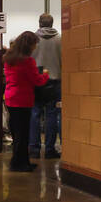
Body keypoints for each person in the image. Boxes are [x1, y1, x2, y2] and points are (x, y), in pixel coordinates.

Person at [4, 31, 50, 173]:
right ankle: (19, 164)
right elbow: (37, 81)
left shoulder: (8, 58)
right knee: (23, 134)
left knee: (17, 133)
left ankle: (21, 162)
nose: (35, 47)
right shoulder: (28, 61)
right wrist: (46, 75)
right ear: (28, 45)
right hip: (23, 100)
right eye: (34, 44)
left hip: (11, 98)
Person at [30, 13, 62, 160]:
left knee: (34, 114)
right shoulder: (60, 39)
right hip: (54, 81)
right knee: (52, 115)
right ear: (52, 23)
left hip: (36, 81)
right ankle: (50, 149)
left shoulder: (32, 40)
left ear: (39, 23)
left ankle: (34, 149)